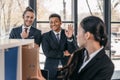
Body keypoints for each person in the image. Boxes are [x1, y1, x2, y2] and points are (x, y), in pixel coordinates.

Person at [59, 16, 114, 80]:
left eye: (78, 32)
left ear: (87, 35)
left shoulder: (106, 66)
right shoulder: (78, 54)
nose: (77, 36)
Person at [9, 7, 45, 80]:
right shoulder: (14, 31)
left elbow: (35, 47)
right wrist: (22, 39)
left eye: (31, 17)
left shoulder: (37, 33)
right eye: (27, 17)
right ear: (23, 17)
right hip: (15, 60)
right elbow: (11, 47)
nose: (29, 19)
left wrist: (25, 39)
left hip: (30, 62)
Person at [42, 13, 77, 80]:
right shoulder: (45, 36)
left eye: (56, 21)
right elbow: (47, 52)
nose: (53, 24)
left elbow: (72, 50)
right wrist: (63, 53)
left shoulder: (67, 33)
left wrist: (69, 38)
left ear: (61, 22)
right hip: (51, 69)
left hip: (66, 68)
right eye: (51, 22)